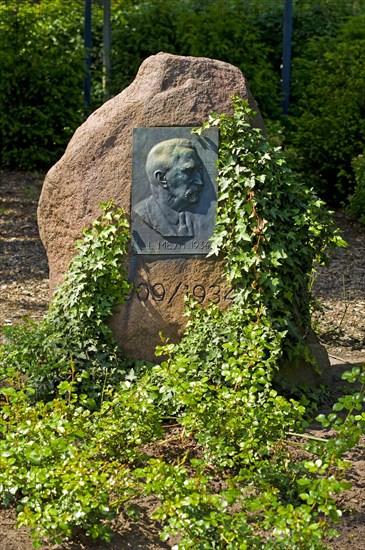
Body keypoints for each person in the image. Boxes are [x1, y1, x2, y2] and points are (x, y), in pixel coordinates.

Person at [132, 138, 204, 238]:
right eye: (189, 171)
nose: (200, 181)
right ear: (162, 179)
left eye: (198, 171)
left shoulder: (198, 220)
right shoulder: (140, 215)